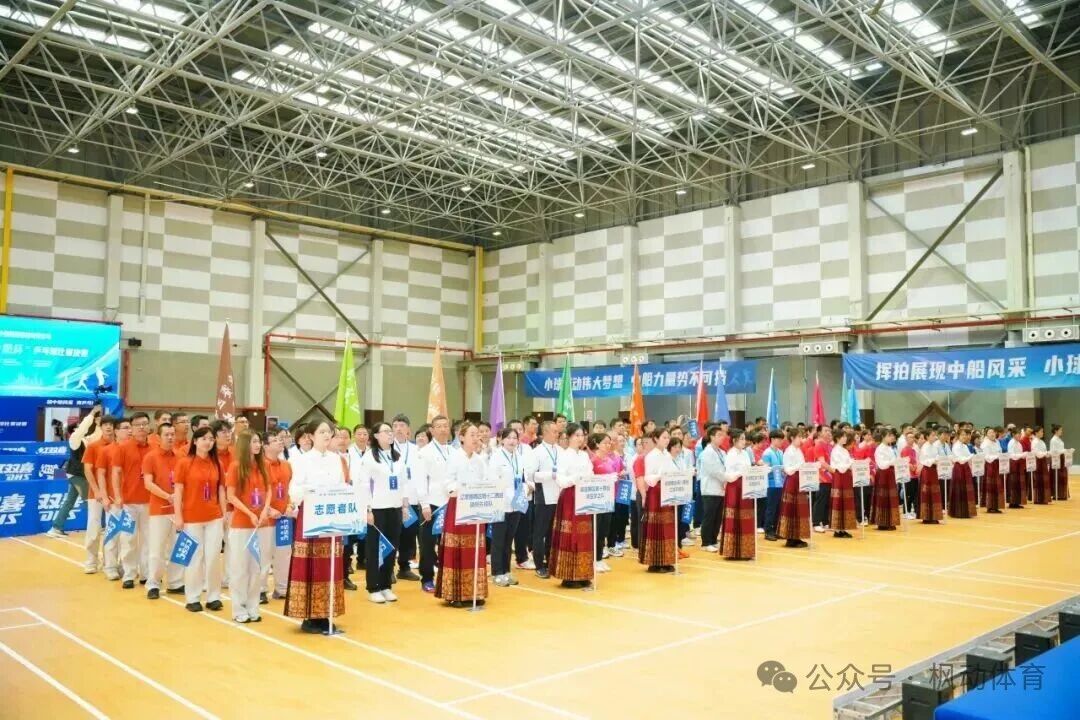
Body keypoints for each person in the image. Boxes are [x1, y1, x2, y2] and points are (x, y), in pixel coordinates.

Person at [285, 421, 361, 633]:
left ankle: (326, 612)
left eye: (329, 432)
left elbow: (342, 484)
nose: (327, 435)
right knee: (311, 564)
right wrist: (313, 491)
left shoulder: (337, 459)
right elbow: (294, 489)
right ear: (310, 436)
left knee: (329, 565)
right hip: (311, 517)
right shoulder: (301, 459)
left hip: (331, 518)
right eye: (322, 432)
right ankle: (310, 616)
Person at [436, 422, 492, 607]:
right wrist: (462, 489)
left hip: (475, 508)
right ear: (461, 437)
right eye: (472, 435)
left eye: (477, 435)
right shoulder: (454, 457)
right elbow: (447, 482)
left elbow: (486, 481)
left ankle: (474, 592)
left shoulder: (480, 460)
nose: (476, 439)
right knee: (457, 549)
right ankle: (455, 593)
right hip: (458, 506)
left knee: (474, 550)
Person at [173, 426, 226, 613]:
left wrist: (223, 513)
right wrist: (178, 516)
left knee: (213, 558)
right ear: (195, 441)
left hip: (214, 517)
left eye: (211, 439)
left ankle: (213, 597)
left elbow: (221, 489)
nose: (208, 442)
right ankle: (193, 597)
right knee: (195, 559)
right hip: (191, 518)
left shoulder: (217, 463)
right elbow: (178, 491)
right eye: (204, 438)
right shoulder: (184, 463)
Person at [225, 430, 275, 623]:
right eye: (254, 441)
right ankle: (239, 609)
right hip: (242, 525)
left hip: (261, 524)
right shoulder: (236, 467)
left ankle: (253, 607)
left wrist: (265, 510)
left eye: (259, 441)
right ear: (245, 444)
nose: (258, 445)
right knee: (240, 568)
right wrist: (250, 513)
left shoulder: (264, 465)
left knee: (257, 567)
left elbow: (269, 490)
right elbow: (231, 496)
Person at [361, 422, 409, 604]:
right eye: (386, 431)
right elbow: (364, 485)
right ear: (376, 436)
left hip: (395, 508)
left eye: (391, 431)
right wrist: (367, 509)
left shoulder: (397, 456)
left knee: (392, 547)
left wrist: (405, 506)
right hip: (377, 509)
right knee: (375, 548)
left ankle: (386, 585)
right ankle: (373, 587)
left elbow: (404, 482)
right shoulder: (369, 457)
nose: (390, 434)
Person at [549, 423, 595, 588]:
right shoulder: (563, 455)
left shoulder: (584, 455)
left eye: (582, 435)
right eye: (576, 435)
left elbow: (590, 473)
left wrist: (588, 478)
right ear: (568, 437)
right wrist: (576, 478)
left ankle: (583, 573)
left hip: (583, 496)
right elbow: (560, 480)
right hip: (570, 497)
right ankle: (568, 575)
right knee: (570, 534)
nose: (580, 438)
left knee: (583, 535)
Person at [110, 412, 154, 588]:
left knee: (149, 540)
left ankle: (146, 574)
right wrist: (117, 495)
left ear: (149, 426)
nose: (141, 427)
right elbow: (116, 473)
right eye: (137, 425)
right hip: (129, 503)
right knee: (128, 539)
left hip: (150, 502)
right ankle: (129, 574)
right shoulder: (122, 448)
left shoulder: (155, 448)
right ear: (132, 428)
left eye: (144, 424)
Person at [414, 415, 457, 593]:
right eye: (438, 426)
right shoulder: (424, 453)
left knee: (448, 542)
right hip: (432, 504)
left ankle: (446, 576)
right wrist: (424, 505)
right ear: (431, 430)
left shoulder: (454, 451)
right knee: (427, 543)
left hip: (451, 503)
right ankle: (427, 578)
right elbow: (420, 480)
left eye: (445, 426)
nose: (443, 429)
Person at [46, 405, 102, 539]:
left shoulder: (86, 441)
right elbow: (83, 428)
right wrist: (92, 413)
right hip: (77, 475)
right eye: (79, 427)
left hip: (78, 475)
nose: (82, 428)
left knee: (70, 501)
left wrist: (99, 424)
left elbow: (97, 436)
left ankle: (56, 527)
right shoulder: (74, 440)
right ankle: (97, 527)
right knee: (90, 501)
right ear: (75, 430)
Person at [142, 422, 183, 599]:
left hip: (178, 510)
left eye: (173, 434)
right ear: (158, 437)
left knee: (177, 547)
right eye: (167, 434)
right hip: (159, 510)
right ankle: (153, 583)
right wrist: (167, 496)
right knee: (157, 548)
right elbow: (148, 483)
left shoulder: (180, 456)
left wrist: (178, 497)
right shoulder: (151, 457)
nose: (170, 437)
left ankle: (175, 582)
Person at [77, 413, 115, 572]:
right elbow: (88, 470)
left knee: (113, 530)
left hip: (114, 495)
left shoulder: (119, 446)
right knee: (94, 527)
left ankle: (110, 563)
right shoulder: (93, 446)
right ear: (100, 426)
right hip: (96, 495)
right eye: (105, 424)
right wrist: (97, 490)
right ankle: (91, 561)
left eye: (111, 424)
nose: (108, 427)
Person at [490, 427, 526, 586]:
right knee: (499, 539)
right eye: (509, 438)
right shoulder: (496, 457)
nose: (512, 441)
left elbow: (522, 477)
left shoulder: (518, 457)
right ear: (502, 440)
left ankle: (506, 571)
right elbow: (493, 480)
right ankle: (497, 572)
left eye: (515, 438)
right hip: (500, 504)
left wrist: (526, 487)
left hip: (516, 503)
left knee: (509, 539)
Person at [638, 428, 677, 572]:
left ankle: (666, 560)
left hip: (667, 491)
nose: (667, 440)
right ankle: (654, 562)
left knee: (667, 526)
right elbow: (648, 478)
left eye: (668, 437)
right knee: (656, 526)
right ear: (656, 439)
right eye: (664, 437)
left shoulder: (667, 454)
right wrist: (661, 475)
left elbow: (673, 471)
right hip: (656, 492)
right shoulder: (651, 455)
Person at [390, 414, 422, 583]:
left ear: (408, 429)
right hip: (394, 500)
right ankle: (388, 568)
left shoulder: (416, 450)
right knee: (392, 534)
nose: (399, 429)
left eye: (402, 425)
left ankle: (404, 567)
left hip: (412, 499)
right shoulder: (387, 449)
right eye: (395, 426)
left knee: (409, 535)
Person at [263, 430, 294, 599]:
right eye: (275, 440)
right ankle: (260, 590)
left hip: (283, 518)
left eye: (280, 439)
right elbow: (254, 492)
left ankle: (282, 589)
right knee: (263, 555)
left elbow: (289, 490)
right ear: (265, 446)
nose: (280, 442)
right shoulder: (258, 465)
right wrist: (267, 509)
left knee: (284, 554)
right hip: (265, 518)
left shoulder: (286, 465)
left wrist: (289, 504)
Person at [530, 420, 561, 579]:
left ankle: (550, 561)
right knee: (540, 533)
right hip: (543, 497)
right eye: (554, 431)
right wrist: (550, 475)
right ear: (546, 432)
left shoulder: (560, 450)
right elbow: (531, 475)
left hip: (558, 495)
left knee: (552, 533)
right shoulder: (537, 452)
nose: (557, 434)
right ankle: (539, 565)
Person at [721, 432, 756, 560]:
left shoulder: (745, 453)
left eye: (744, 439)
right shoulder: (730, 454)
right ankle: (732, 551)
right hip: (734, 487)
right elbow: (728, 475)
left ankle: (745, 550)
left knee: (745, 518)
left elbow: (749, 469)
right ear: (734, 440)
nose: (743, 441)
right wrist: (741, 472)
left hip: (746, 487)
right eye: (741, 439)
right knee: (734, 517)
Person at [588, 432, 619, 571]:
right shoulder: (593, 460)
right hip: (596, 500)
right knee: (596, 529)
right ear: (597, 444)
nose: (608, 445)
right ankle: (593, 559)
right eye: (605, 443)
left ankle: (599, 558)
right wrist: (606, 479)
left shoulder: (610, 460)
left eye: (609, 443)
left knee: (604, 530)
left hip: (608, 499)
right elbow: (590, 480)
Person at [777, 430, 810, 549]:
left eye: (801, 437)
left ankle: (797, 536)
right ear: (792, 438)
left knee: (799, 510)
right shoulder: (788, 451)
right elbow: (788, 470)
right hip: (792, 481)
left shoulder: (799, 450)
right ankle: (790, 538)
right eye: (798, 437)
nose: (800, 440)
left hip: (799, 481)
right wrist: (799, 466)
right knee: (791, 509)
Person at [697, 426, 727, 552]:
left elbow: (726, 467)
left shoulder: (722, 452)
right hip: (710, 489)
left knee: (717, 517)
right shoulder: (707, 453)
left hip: (721, 488)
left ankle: (714, 540)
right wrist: (727, 478)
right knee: (709, 516)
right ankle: (706, 542)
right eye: (719, 435)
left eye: (722, 435)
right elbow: (714, 471)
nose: (722, 437)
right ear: (712, 437)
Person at [828, 430, 856, 538]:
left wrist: (852, 463)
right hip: (839, 477)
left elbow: (848, 464)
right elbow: (841, 467)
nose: (845, 438)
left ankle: (843, 528)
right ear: (837, 438)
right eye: (843, 436)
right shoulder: (835, 451)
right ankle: (837, 529)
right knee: (839, 502)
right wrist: (850, 462)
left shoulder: (844, 450)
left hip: (846, 478)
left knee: (845, 502)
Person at [872, 429, 901, 530]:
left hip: (890, 474)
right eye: (889, 435)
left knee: (890, 498)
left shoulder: (890, 448)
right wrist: (893, 461)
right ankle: (882, 523)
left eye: (892, 435)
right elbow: (882, 464)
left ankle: (890, 521)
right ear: (883, 437)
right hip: (883, 475)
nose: (892, 437)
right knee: (883, 498)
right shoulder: (879, 449)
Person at [759, 431, 785, 541]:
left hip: (780, 483)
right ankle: (768, 531)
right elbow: (765, 469)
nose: (781, 442)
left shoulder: (780, 452)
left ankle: (775, 529)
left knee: (778, 508)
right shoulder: (767, 453)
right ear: (773, 439)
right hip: (771, 484)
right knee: (771, 508)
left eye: (782, 439)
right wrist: (774, 469)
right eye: (779, 439)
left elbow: (783, 466)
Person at [949, 430, 977, 518]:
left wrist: (972, 456)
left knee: (966, 490)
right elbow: (961, 460)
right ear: (958, 436)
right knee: (960, 489)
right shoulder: (956, 446)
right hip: (959, 469)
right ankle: (958, 512)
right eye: (962, 435)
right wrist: (971, 456)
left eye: (965, 435)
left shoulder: (965, 446)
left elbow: (968, 457)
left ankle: (966, 511)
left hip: (965, 468)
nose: (964, 436)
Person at [918, 430, 943, 523]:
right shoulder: (925, 447)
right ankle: (927, 517)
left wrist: (937, 459)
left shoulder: (934, 446)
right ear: (927, 437)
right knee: (927, 493)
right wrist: (934, 460)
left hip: (933, 470)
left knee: (934, 493)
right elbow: (924, 460)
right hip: (927, 471)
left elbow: (937, 456)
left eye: (935, 435)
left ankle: (934, 516)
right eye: (932, 435)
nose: (934, 437)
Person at [980, 428, 1004, 513]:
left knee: (997, 486)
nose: (992, 434)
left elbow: (1000, 452)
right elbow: (987, 457)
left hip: (997, 464)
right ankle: (989, 506)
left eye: (993, 432)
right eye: (990, 432)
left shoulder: (997, 442)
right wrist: (997, 456)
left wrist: (1000, 456)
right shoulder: (985, 444)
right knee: (990, 487)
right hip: (990, 465)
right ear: (986, 435)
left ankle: (996, 506)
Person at [1031, 426, 1052, 504]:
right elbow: (1037, 454)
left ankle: (1044, 498)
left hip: (1043, 461)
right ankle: (1038, 499)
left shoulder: (1042, 442)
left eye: (1043, 431)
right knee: (1038, 480)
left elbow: (1044, 452)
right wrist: (1046, 453)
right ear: (1036, 433)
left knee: (1044, 480)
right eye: (1041, 431)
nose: (1043, 433)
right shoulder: (1034, 442)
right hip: (1037, 462)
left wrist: (1048, 453)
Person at [1006, 430, 1028, 509]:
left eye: (1020, 434)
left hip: (1019, 464)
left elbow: (1019, 454)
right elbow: (1011, 455)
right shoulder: (1011, 443)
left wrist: (1023, 455)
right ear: (1013, 434)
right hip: (1013, 464)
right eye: (1018, 434)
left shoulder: (1019, 443)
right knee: (1013, 484)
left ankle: (1017, 502)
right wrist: (1022, 455)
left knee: (1018, 484)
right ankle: (1012, 502)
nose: (1019, 436)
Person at [1049, 424, 1068, 500]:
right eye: (1060, 430)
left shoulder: (1059, 439)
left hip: (1061, 458)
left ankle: (1062, 494)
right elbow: (1054, 451)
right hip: (1056, 459)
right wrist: (1063, 451)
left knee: (1062, 477)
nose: (1061, 431)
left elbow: (1061, 449)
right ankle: (1056, 494)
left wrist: (1066, 451)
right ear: (1056, 431)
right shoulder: (1053, 440)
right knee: (1057, 477)